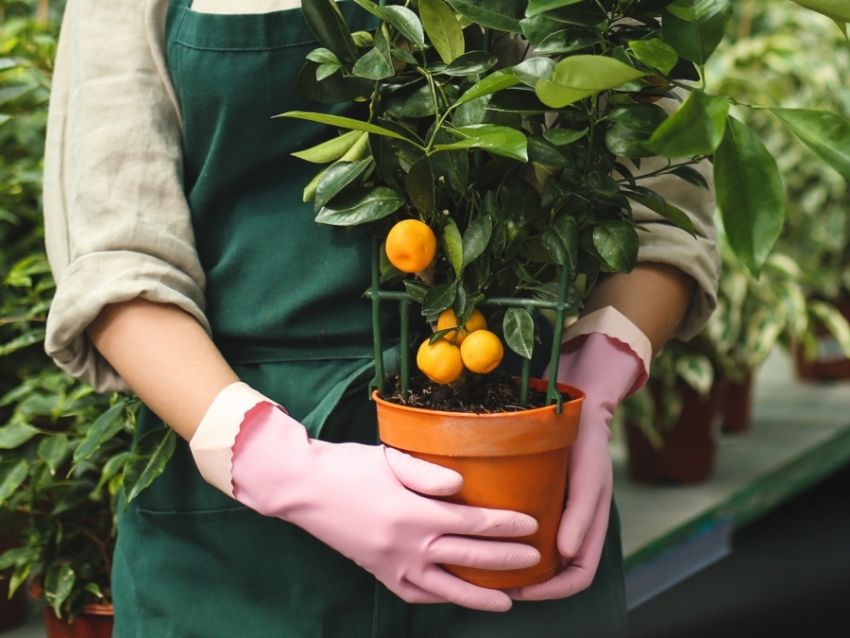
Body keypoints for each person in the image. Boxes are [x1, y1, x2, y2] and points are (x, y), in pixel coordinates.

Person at [42, 1, 719, 636]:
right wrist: (281, 467)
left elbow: (662, 195)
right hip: (235, 542)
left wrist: (595, 382)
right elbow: (116, 258)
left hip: (514, 490)